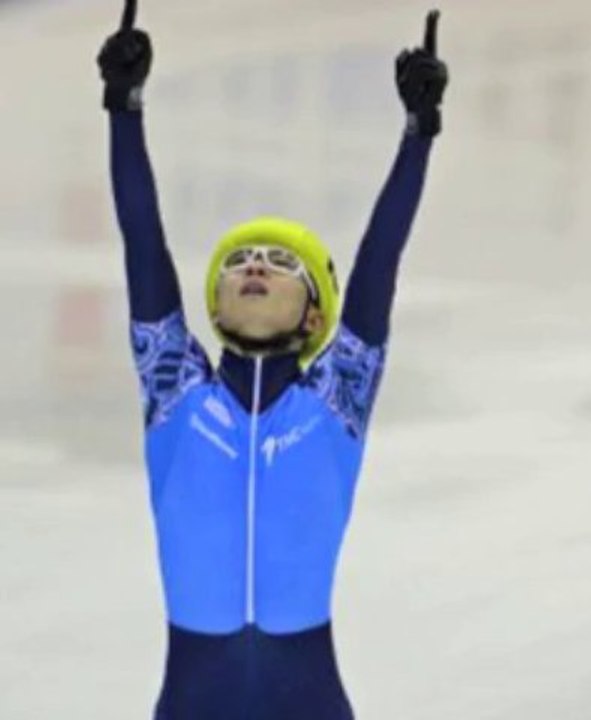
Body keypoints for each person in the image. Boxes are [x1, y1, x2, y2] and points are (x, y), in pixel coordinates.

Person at [97, 1, 448, 716]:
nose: (254, 266)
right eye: (240, 262)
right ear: (215, 305)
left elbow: (379, 261)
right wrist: (123, 108)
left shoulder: (336, 399)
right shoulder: (175, 388)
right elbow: (143, 242)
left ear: (316, 312)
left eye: (277, 263)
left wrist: (418, 135)